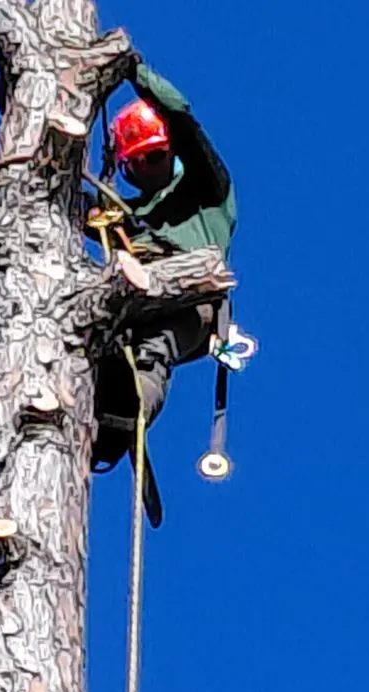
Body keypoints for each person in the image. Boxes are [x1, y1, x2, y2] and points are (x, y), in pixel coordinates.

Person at [91, 58, 237, 479]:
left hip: (192, 302)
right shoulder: (126, 215)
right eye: (140, 161)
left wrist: (133, 71)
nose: (149, 166)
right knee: (103, 349)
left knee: (156, 348)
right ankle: (95, 411)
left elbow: (182, 119)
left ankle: (129, 413)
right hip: (130, 303)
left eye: (156, 155)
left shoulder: (207, 190)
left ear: (171, 149)